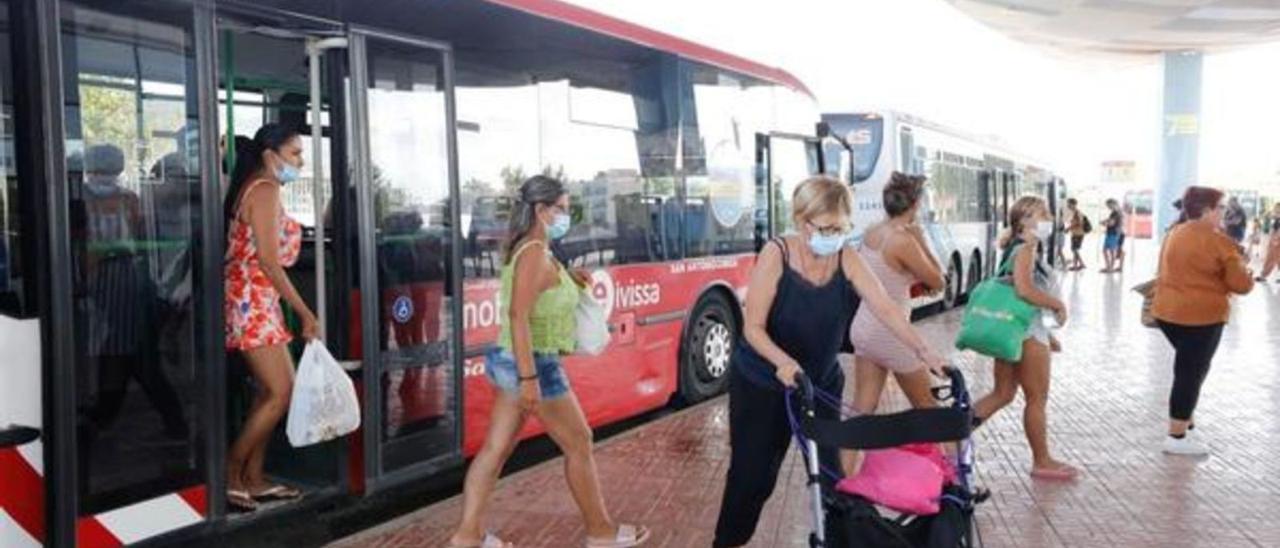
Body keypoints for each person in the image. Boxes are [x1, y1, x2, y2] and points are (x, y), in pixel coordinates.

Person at [713, 175, 946, 548]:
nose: (834, 235)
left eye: (841, 227)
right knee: (753, 477)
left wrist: (923, 350)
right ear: (802, 222)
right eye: (826, 228)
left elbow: (884, 306)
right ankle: (727, 543)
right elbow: (752, 329)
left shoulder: (845, 256)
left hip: (819, 382)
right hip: (763, 381)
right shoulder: (777, 254)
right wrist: (784, 363)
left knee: (831, 479)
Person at [449, 176, 648, 548]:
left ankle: (467, 537)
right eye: (561, 208)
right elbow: (517, 315)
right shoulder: (534, 253)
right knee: (579, 442)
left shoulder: (537, 249)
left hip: (513, 360)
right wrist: (529, 379)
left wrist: (567, 279)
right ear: (541, 210)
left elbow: (538, 289)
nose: (566, 215)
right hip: (532, 364)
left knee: (496, 449)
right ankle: (601, 531)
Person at [223, 124, 318, 511]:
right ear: (269, 154)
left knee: (271, 392)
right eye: (294, 153)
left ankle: (255, 477)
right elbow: (268, 259)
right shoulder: (264, 190)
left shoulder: (258, 188)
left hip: (256, 299)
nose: (300, 161)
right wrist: (306, 313)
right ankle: (231, 473)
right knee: (282, 391)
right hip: (252, 301)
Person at [842, 172, 946, 475]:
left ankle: (841, 477)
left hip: (864, 327)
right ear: (915, 204)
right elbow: (937, 280)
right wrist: (921, 239)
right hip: (893, 334)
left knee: (862, 408)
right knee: (929, 409)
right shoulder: (904, 239)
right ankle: (951, 477)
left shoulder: (873, 231)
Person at [970, 195, 1078, 481]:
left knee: (1002, 393)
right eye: (1042, 214)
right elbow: (1024, 291)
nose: (1048, 219)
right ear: (1024, 220)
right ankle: (1042, 460)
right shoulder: (1026, 249)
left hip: (1016, 330)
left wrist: (1047, 332)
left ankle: (952, 435)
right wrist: (1057, 305)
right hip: (1026, 335)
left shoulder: (1014, 248)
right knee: (1036, 398)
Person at [1151, 186, 1253, 455]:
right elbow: (1240, 285)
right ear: (1207, 210)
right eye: (1221, 208)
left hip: (1167, 313)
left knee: (1191, 368)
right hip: (1202, 317)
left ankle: (1187, 425)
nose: (1224, 213)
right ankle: (1176, 436)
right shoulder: (1219, 241)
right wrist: (1245, 266)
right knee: (1190, 373)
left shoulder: (1175, 232)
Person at [1257, 203, 1280, 282]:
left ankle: (1263, 275)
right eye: (1276, 208)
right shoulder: (1277, 219)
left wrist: (1276, 239)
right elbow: (1273, 229)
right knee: (1272, 258)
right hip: (1274, 241)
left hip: (1277, 241)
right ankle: (1263, 275)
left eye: (1277, 208)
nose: (1276, 210)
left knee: (1272, 258)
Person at [1100, 198, 1125, 273]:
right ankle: (1117, 267)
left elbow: (1112, 223)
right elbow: (1111, 220)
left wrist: (1104, 223)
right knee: (1117, 250)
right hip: (1117, 233)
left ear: (1113, 204)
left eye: (1109, 205)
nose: (1108, 207)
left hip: (1114, 233)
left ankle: (1110, 267)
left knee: (1110, 250)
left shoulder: (1116, 212)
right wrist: (1106, 221)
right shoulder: (1118, 212)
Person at [1064, 198, 1086, 271]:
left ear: (1073, 204)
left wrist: (1068, 228)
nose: (1068, 205)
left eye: (1069, 204)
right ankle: (1076, 265)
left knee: (1074, 249)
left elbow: (1079, 223)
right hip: (1076, 233)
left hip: (1078, 233)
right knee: (1074, 249)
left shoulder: (1077, 212)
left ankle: (1081, 264)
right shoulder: (1075, 212)